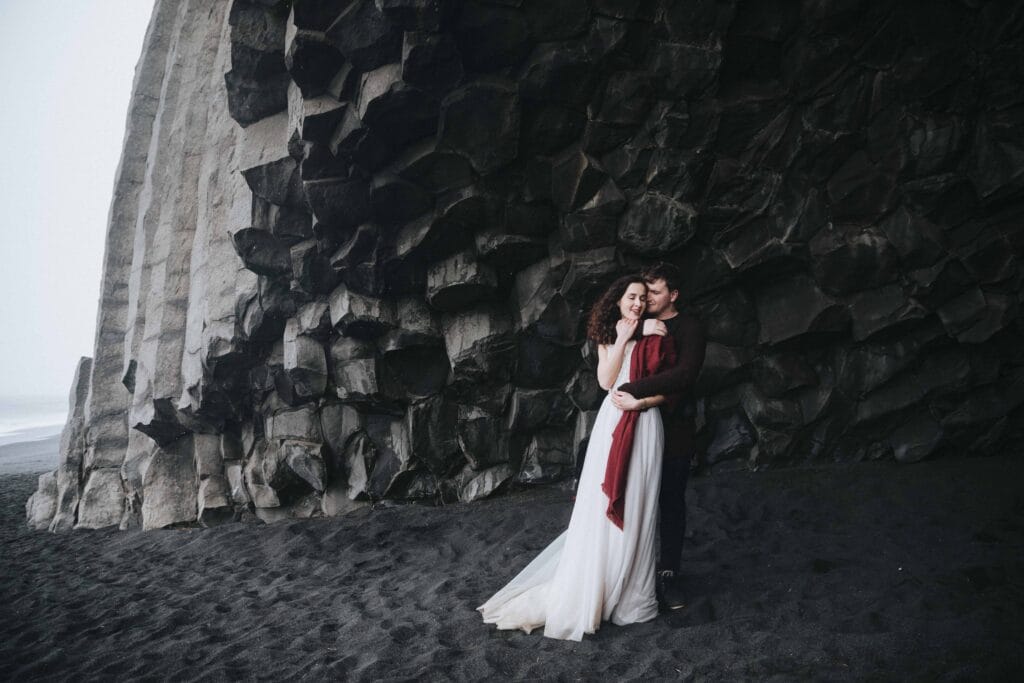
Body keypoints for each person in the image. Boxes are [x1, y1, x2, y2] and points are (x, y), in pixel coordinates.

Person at [478, 275, 674, 641]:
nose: (637, 304)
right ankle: (600, 583)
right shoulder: (607, 334)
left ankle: (632, 593)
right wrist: (625, 337)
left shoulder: (657, 334)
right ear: (618, 300)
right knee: (604, 507)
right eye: (631, 297)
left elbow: (669, 386)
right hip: (613, 421)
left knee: (641, 504)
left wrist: (643, 399)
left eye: (643, 299)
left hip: (647, 424)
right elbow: (605, 380)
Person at [611, 262, 706, 611]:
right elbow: (607, 336)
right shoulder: (636, 321)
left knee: (670, 500)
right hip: (632, 426)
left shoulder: (690, 326)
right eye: (644, 292)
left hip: (673, 425)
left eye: (655, 292)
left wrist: (635, 390)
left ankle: (668, 575)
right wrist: (639, 331)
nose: (646, 298)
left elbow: (685, 375)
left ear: (673, 295)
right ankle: (632, 572)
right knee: (634, 497)